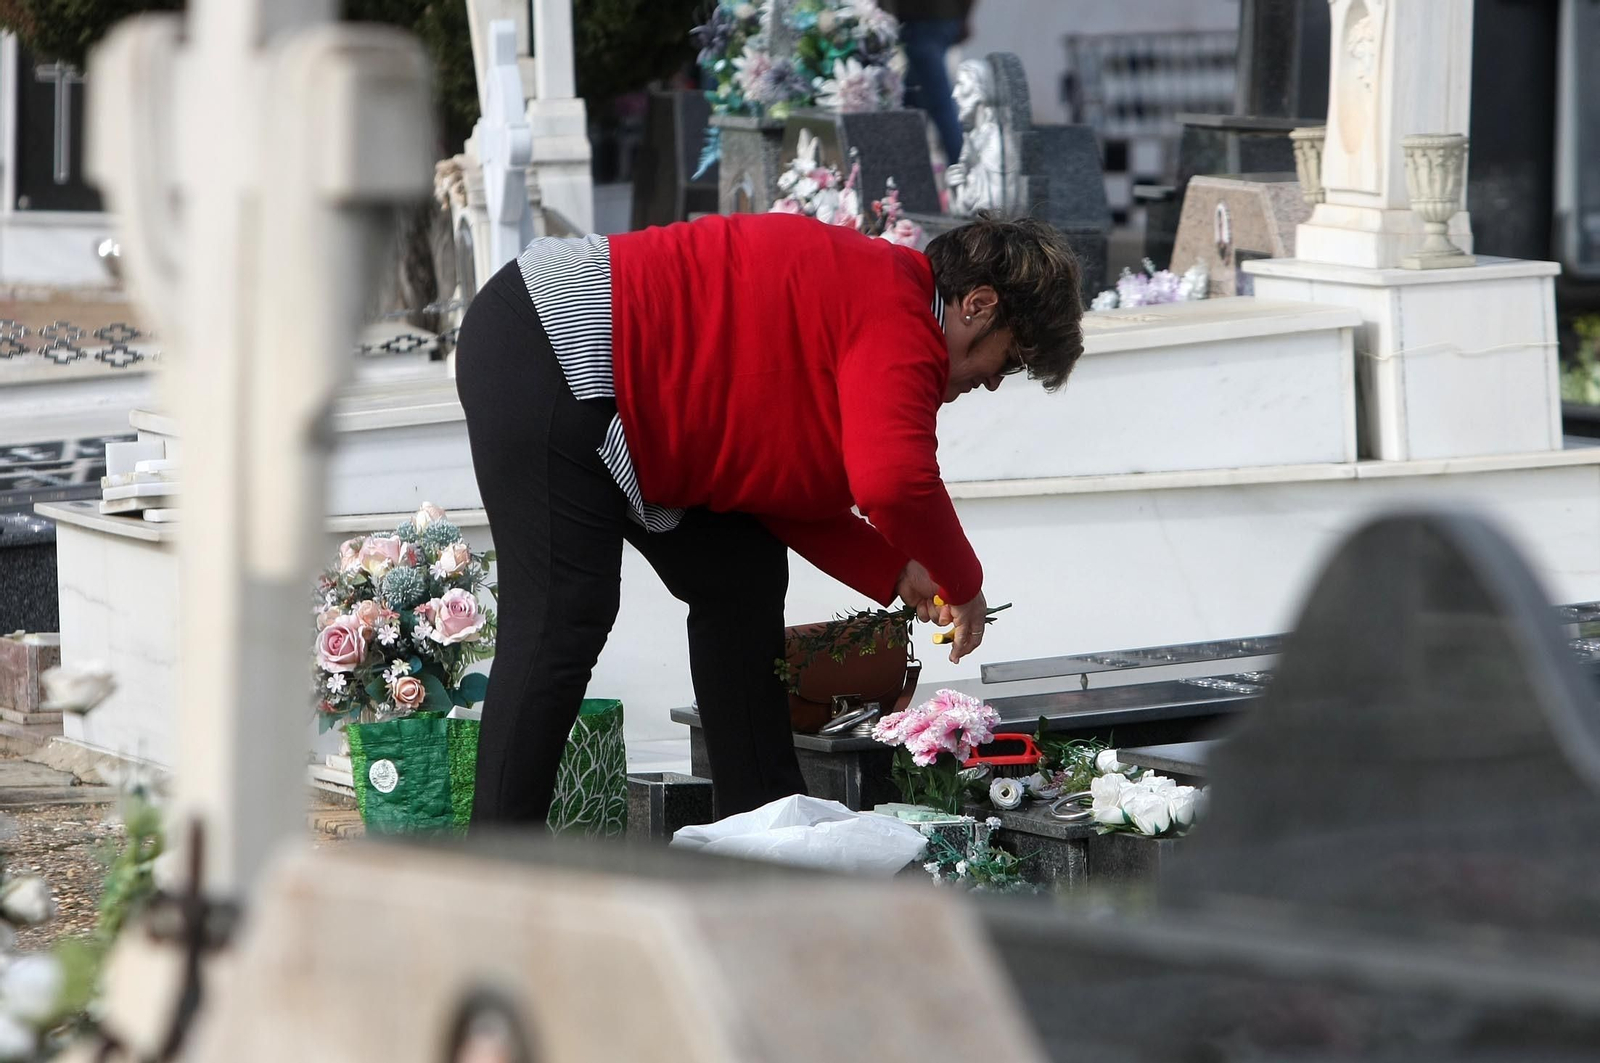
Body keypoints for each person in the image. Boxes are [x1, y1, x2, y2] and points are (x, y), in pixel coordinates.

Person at [455, 210, 1083, 827]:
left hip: (602, 382)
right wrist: (964, 585)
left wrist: (898, 571)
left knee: (740, 570)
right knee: (563, 614)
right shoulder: (900, 307)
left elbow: (778, 493)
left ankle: (761, 832)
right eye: (1011, 358)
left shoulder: (878, 306)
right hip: (546, 337)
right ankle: (498, 873)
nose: (998, 383)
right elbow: (894, 483)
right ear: (977, 303)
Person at [888, 0, 976, 166]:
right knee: (912, 100)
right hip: (940, 19)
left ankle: (964, 170)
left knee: (938, 103)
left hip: (922, 20)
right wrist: (964, 17)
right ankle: (905, 168)